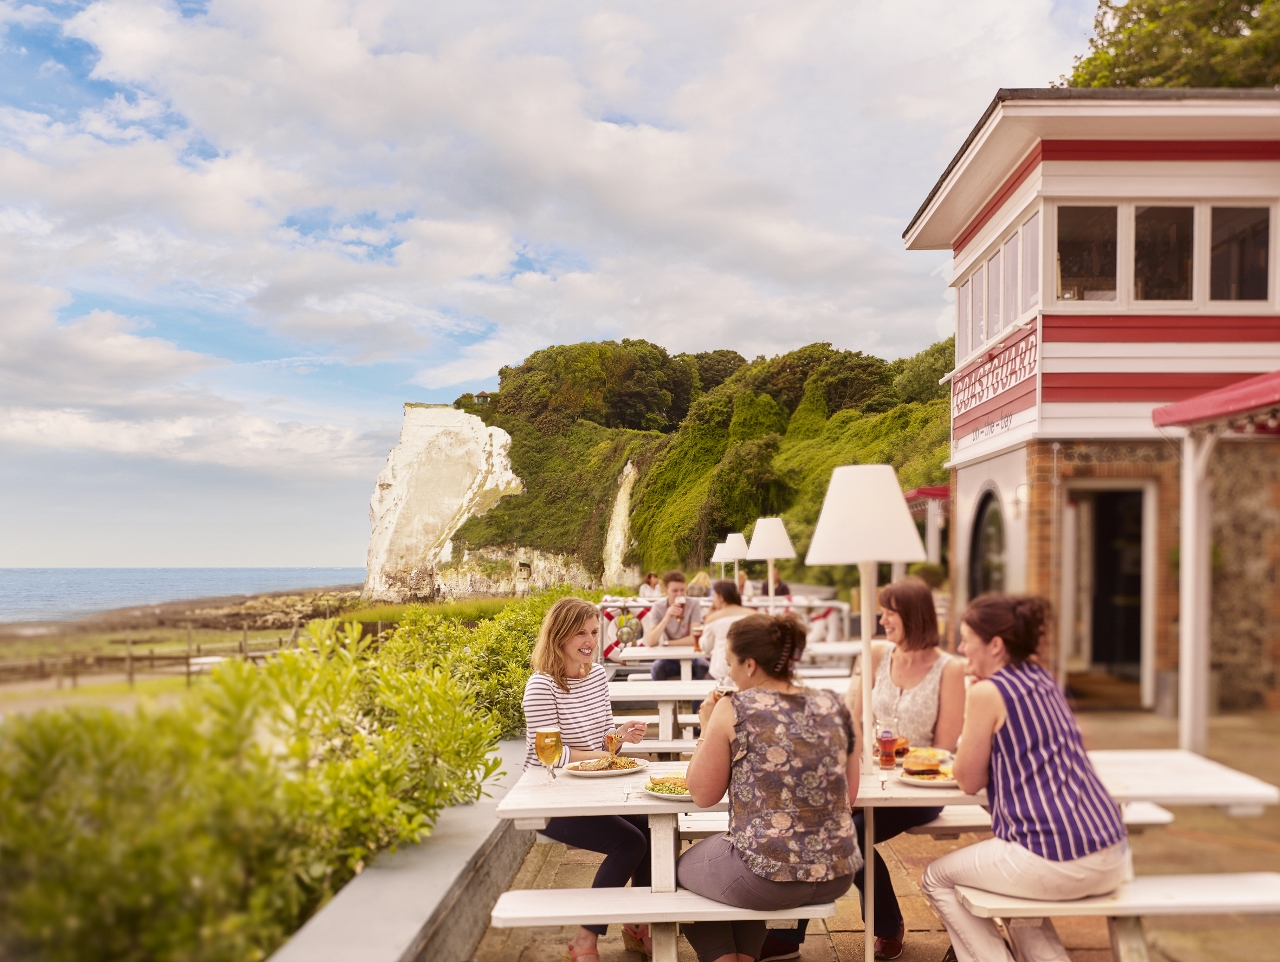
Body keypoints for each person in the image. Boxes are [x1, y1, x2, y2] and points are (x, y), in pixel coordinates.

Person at [764, 578, 964, 962]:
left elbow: (943, 748)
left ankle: (789, 936)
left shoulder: (949, 669)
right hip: (866, 777)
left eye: (890, 612)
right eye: (883, 611)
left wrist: (899, 757)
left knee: (843, 838)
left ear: (913, 616)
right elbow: (850, 720)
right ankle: (882, 926)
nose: (882, 619)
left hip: (919, 789)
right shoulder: (875, 653)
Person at [921, 595, 1130, 962]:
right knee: (1014, 894)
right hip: (1111, 852)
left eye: (967, 638)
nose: (960, 647)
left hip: (1057, 859)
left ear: (996, 645)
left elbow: (968, 780)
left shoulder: (987, 692)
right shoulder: (1040, 677)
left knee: (936, 877)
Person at [677, 613, 862, 962]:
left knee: (681, 871)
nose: (728, 674)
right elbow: (848, 796)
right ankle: (745, 956)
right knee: (748, 863)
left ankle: (723, 958)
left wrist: (706, 726)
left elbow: (702, 795)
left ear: (749, 664)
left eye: (730, 664)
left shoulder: (734, 708)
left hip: (769, 879)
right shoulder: (836, 705)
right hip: (838, 871)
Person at [521, 597, 653, 962]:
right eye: (580, 632)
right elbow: (555, 755)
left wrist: (621, 735)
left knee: (652, 826)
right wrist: (607, 756)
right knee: (630, 843)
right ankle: (584, 939)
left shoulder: (595, 676)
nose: (590, 640)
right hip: (549, 796)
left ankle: (639, 925)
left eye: (595, 632)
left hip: (591, 788)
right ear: (559, 636)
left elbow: (601, 739)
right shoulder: (541, 686)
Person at [642, 570, 709, 680]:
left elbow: (693, 639)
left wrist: (668, 643)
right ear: (666, 591)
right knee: (657, 668)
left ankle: (700, 698)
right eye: (675, 591)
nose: (680, 594)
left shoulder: (693, 604)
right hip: (669, 657)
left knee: (704, 668)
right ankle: (664, 698)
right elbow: (650, 641)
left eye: (682, 590)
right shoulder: (658, 607)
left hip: (692, 656)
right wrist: (667, 617)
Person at [700, 580, 751, 681]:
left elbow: (705, 647)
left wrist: (708, 618)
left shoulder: (714, 618)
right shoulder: (753, 615)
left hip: (720, 674)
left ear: (721, 597)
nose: (713, 601)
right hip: (748, 673)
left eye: (714, 596)